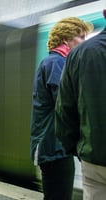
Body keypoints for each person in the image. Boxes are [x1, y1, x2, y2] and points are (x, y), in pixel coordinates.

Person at [30, 17, 93, 200]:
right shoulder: (56, 62)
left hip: (55, 146)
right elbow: (66, 101)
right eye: (80, 37)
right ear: (66, 39)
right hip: (53, 147)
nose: (83, 42)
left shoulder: (54, 61)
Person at [55, 10, 106, 200]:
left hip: (95, 161)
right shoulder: (54, 63)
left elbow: (63, 112)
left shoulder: (78, 55)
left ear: (105, 14)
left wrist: (80, 149)